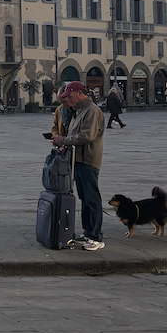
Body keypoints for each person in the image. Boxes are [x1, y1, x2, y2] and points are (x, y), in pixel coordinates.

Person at [51, 80, 106, 250]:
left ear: (78, 93)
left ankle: (96, 236)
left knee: (92, 198)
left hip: (88, 159)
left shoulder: (92, 111)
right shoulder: (79, 110)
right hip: (78, 159)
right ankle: (88, 233)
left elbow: (86, 136)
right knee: (84, 198)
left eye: (69, 95)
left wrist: (64, 140)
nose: (68, 99)